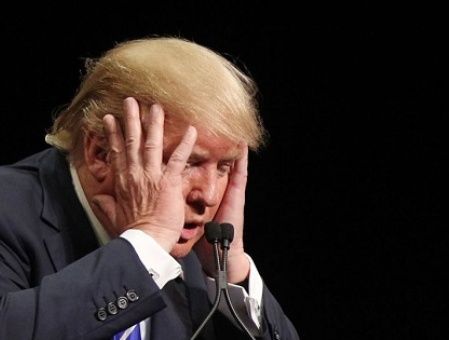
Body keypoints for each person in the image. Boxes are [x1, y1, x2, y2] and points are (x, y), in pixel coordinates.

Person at [0, 36, 299, 340]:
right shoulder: (8, 209)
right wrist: (146, 244)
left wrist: (228, 268)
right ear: (101, 153)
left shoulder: (198, 258)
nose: (208, 196)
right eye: (187, 163)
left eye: (223, 166)